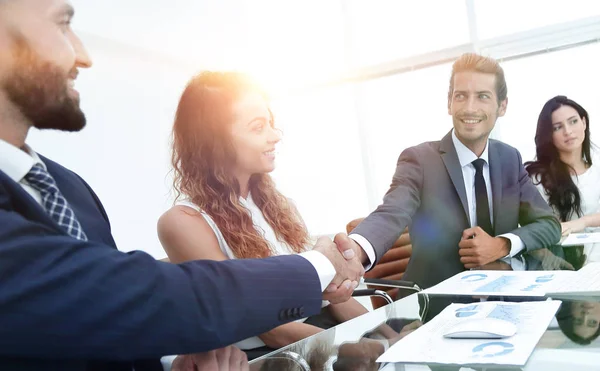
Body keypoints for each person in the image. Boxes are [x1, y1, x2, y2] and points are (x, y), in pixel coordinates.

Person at [0, 1, 363, 370]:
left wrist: (171, 364)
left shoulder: (69, 187)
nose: (83, 56)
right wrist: (321, 266)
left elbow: (109, 312)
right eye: (62, 24)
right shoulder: (184, 219)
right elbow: (145, 292)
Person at [157, 71, 370, 357]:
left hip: (321, 335)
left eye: (270, 123)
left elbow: (332, 297)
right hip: (276, 354)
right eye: (258, 128)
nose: (275, 136)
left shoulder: (279, 206)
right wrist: (348, 348)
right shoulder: (183, 223)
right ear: (213, 141)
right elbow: (270, 328)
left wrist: (381, 336)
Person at [341, 53, 561, 290]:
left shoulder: (509, 158)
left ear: (502, 106)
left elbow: (549, 224)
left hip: (505, 293)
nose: (469, 108)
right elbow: (391, 213)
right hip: (434, 305)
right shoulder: (420, 159)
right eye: (461, 96)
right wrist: (354, 251)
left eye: (483, 97)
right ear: (449, 103)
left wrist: (502, 245)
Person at [526, 96, 600, 266]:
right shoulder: (538, 179)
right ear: (549, 135)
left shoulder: (597, 167)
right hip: (566, 263)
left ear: (584, 122)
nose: (568, 131)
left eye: (573, 122)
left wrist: (582, 222)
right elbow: (531, 229)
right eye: (557, 127)